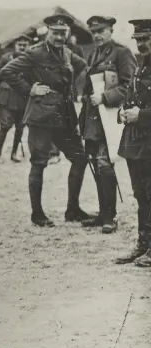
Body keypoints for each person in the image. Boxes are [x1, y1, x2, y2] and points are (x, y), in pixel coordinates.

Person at [0, 14, 94, 228]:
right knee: (39, 163)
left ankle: (72, 210)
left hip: (65, 116)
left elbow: (84, 66)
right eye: (55, 33)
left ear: (67, 34)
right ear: (47, 32)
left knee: (80, 158)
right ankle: (37, 213)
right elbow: (7, 71)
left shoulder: (68, 53)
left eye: (63, 33)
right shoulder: (35, 53)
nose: (59, 37)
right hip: (41, 117)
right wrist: (29, 89)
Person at [79, 16, 138, 234]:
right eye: (94, 32)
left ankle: (110, 216)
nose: (97, 35)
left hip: (111, 117)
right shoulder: (93, 54)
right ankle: (103, 213)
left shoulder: (122, 53)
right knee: (96, 163)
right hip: (94, 119)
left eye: (101, 31)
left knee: (104, 163)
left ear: (111, 30)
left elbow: (131, 85)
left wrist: (105, 97)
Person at [114, 19, 151, 267]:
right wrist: (123, 112)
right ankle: (144, 244)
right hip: (138, 142)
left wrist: (143, 115)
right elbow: (132, 96)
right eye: (138, 40)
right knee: (141, 194)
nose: (141, 44)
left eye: (146, 39)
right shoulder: (142, 67)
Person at [0, 35, 32, 163]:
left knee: (20, 127)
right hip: (7, 98)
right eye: (19, 44)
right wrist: (4, 88)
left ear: (28, 46)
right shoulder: (6, 58)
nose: (22, 47)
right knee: (5, 126)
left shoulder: (30, 60)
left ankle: (14, 153)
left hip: (22, 99)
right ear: (15, 45)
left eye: (25, 45)